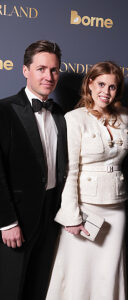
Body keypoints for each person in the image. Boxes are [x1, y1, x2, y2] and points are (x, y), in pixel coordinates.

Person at [46, 61, 128, 300]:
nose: (106, 91)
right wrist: (71, 217)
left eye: (112, 87)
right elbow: (70, 172)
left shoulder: (124, 116)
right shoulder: (74, 119)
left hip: (116, 206)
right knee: (79, 273)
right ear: (90, 84)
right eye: (101, 84)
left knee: (109, 271)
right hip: (85, 208)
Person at [0, 40, 67, 300]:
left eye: (54, 70)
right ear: (25, 70)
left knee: (38, 289)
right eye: (41, 69)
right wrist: (7, 222)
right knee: (10, 289)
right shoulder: (4, 110)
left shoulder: (61, 114)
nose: (48, 76)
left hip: (50, 217)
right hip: (16, 219)